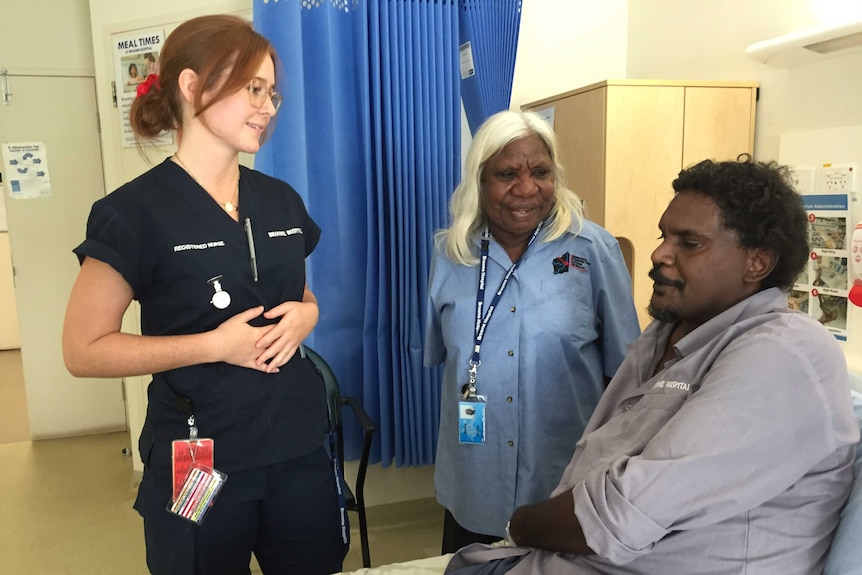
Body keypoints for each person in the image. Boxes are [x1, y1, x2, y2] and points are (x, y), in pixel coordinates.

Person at [444, 158, 860, 575]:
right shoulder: (664, 335)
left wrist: (519, 524)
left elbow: (615, 516)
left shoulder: (782, 352)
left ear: (757, 263)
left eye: (689, 243)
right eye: (664, 236)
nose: (660, 253)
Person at [62, 15, 346, 575]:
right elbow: (84, 350)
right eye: (251, 89)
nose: (266, 107)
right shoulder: (133, 214)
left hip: (297, 445)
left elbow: (302, 296)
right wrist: (213, 346)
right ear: (191, 87)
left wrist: (309, 316)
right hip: (201, 452)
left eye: (271, 92)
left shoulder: (280, 200)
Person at [424, 110, 641, 553]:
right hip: (476, 479)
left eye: (540, 172)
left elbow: (627, 375)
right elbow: (443, 356)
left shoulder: (591, 249)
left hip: (563, 483)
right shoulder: (451, 253)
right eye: (507, 174)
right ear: (479, 181)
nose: (526, 189)